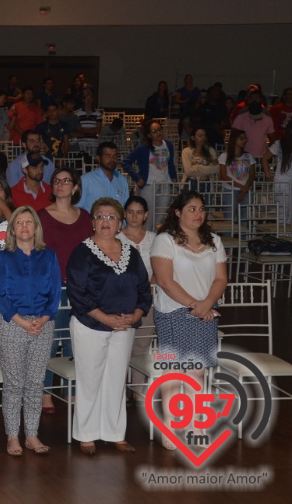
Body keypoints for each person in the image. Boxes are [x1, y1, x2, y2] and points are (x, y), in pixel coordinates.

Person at [66, 198, 151, 455]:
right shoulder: (82, 252)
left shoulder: (131, 253)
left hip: (125, 327)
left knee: (116, 380)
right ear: (93, 222)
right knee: (90, 381)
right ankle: (87, 435)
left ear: (119, 223)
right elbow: (77, 293)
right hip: (90, 325)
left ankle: (115, 433)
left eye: (111, 217)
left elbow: (144, 290)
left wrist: (136, 315)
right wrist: (105, 318)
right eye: (100, 216)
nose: (105, 221)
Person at [150, 190, 228, 450]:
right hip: (174, 311)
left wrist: (206, 305)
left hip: (206, 311)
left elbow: (221, 279)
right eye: (192, 209)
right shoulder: (165, 240)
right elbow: (164, 281)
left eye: (201, 209)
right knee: (173, 371)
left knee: (197, 370)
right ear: (178, 213)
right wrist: (197, 305)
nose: (198, 213)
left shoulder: (214, 240)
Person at [0, 206, 60, 456]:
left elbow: (55, 293)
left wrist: (41, 320)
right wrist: (22, 322)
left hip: (43, 324)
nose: (24, 227)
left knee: (35, 383)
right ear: (12, 229)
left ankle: (31, 434)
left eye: (28, 222)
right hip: (12, 325)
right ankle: (12, 436)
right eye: (19, 222)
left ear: (36, 227)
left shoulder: (49, 256)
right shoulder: (4, 258)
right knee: (14, 383)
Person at [38, 167, 92, 412]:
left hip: (80, 286)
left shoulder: (85, 217)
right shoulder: (41, 216)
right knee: (49, 340)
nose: (60, 184)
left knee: (76, 340)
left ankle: (71, 391)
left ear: (75, 187)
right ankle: (46, 393)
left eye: (66, 181)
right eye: (56, 181)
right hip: (52, 286)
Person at [118, 195, 157, 396]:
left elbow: (160, 268)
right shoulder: (116, 238)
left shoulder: (154, 238)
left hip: (148, 296)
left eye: (139, 212)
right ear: (125, 214)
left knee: (142, 345)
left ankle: (138, 388)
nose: (134, 216)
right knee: (121, 346)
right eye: (130, 212)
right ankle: (119, 391)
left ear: (145, 215)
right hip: (122, 298)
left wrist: (147, 290)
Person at [122, 119, 176, 230]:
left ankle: (157, 240)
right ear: (149, 134)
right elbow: (126, 162)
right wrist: (137, 178)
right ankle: (146, 241)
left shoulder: (168, 145)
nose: (158, 133)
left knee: (161, 215)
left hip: (165, 183)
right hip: (149, 185)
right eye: (154, 131)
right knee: (148, 216)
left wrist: (173, 176)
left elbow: (170, 163)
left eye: (159, 130)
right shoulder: (143, 148)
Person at [78, 142, 130, 212]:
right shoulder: (86, 180)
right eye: (108, 156)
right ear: (99, 158)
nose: (112, 160)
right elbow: (77, 209)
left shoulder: (122, 180)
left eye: (115, 156)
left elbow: (125, 209)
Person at [218, 128, 255, 225]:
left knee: (244, 219)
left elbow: (252, 175)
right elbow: (223, 176)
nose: (244, 140)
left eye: (245, 138)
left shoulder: (249, 156)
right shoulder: (224, 156)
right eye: (241, 138)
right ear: (234, 140)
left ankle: (243, 240)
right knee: (229, 220)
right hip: (230, 190)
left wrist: (244, 190)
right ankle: (228, 239)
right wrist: (242, 187)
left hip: (245, 191)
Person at [263, 126, 292, 224]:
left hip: (282, 181)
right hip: (282, 182)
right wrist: (268, 176)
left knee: (286, 213)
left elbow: (265, 159)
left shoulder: (279, 143)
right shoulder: (279, 143)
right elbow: (265, 158)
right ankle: (283, 237)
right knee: (282, 213)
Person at [181, 127, 219, 191]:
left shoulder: (210, 150)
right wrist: (207, 167)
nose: (202, 138)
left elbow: (217, 168)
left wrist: (198, 167)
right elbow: (188, 172)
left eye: (204, 136)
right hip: (191, 182)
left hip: (206, 182)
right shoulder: (186, 151)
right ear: (193, 137)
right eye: (199, 136)